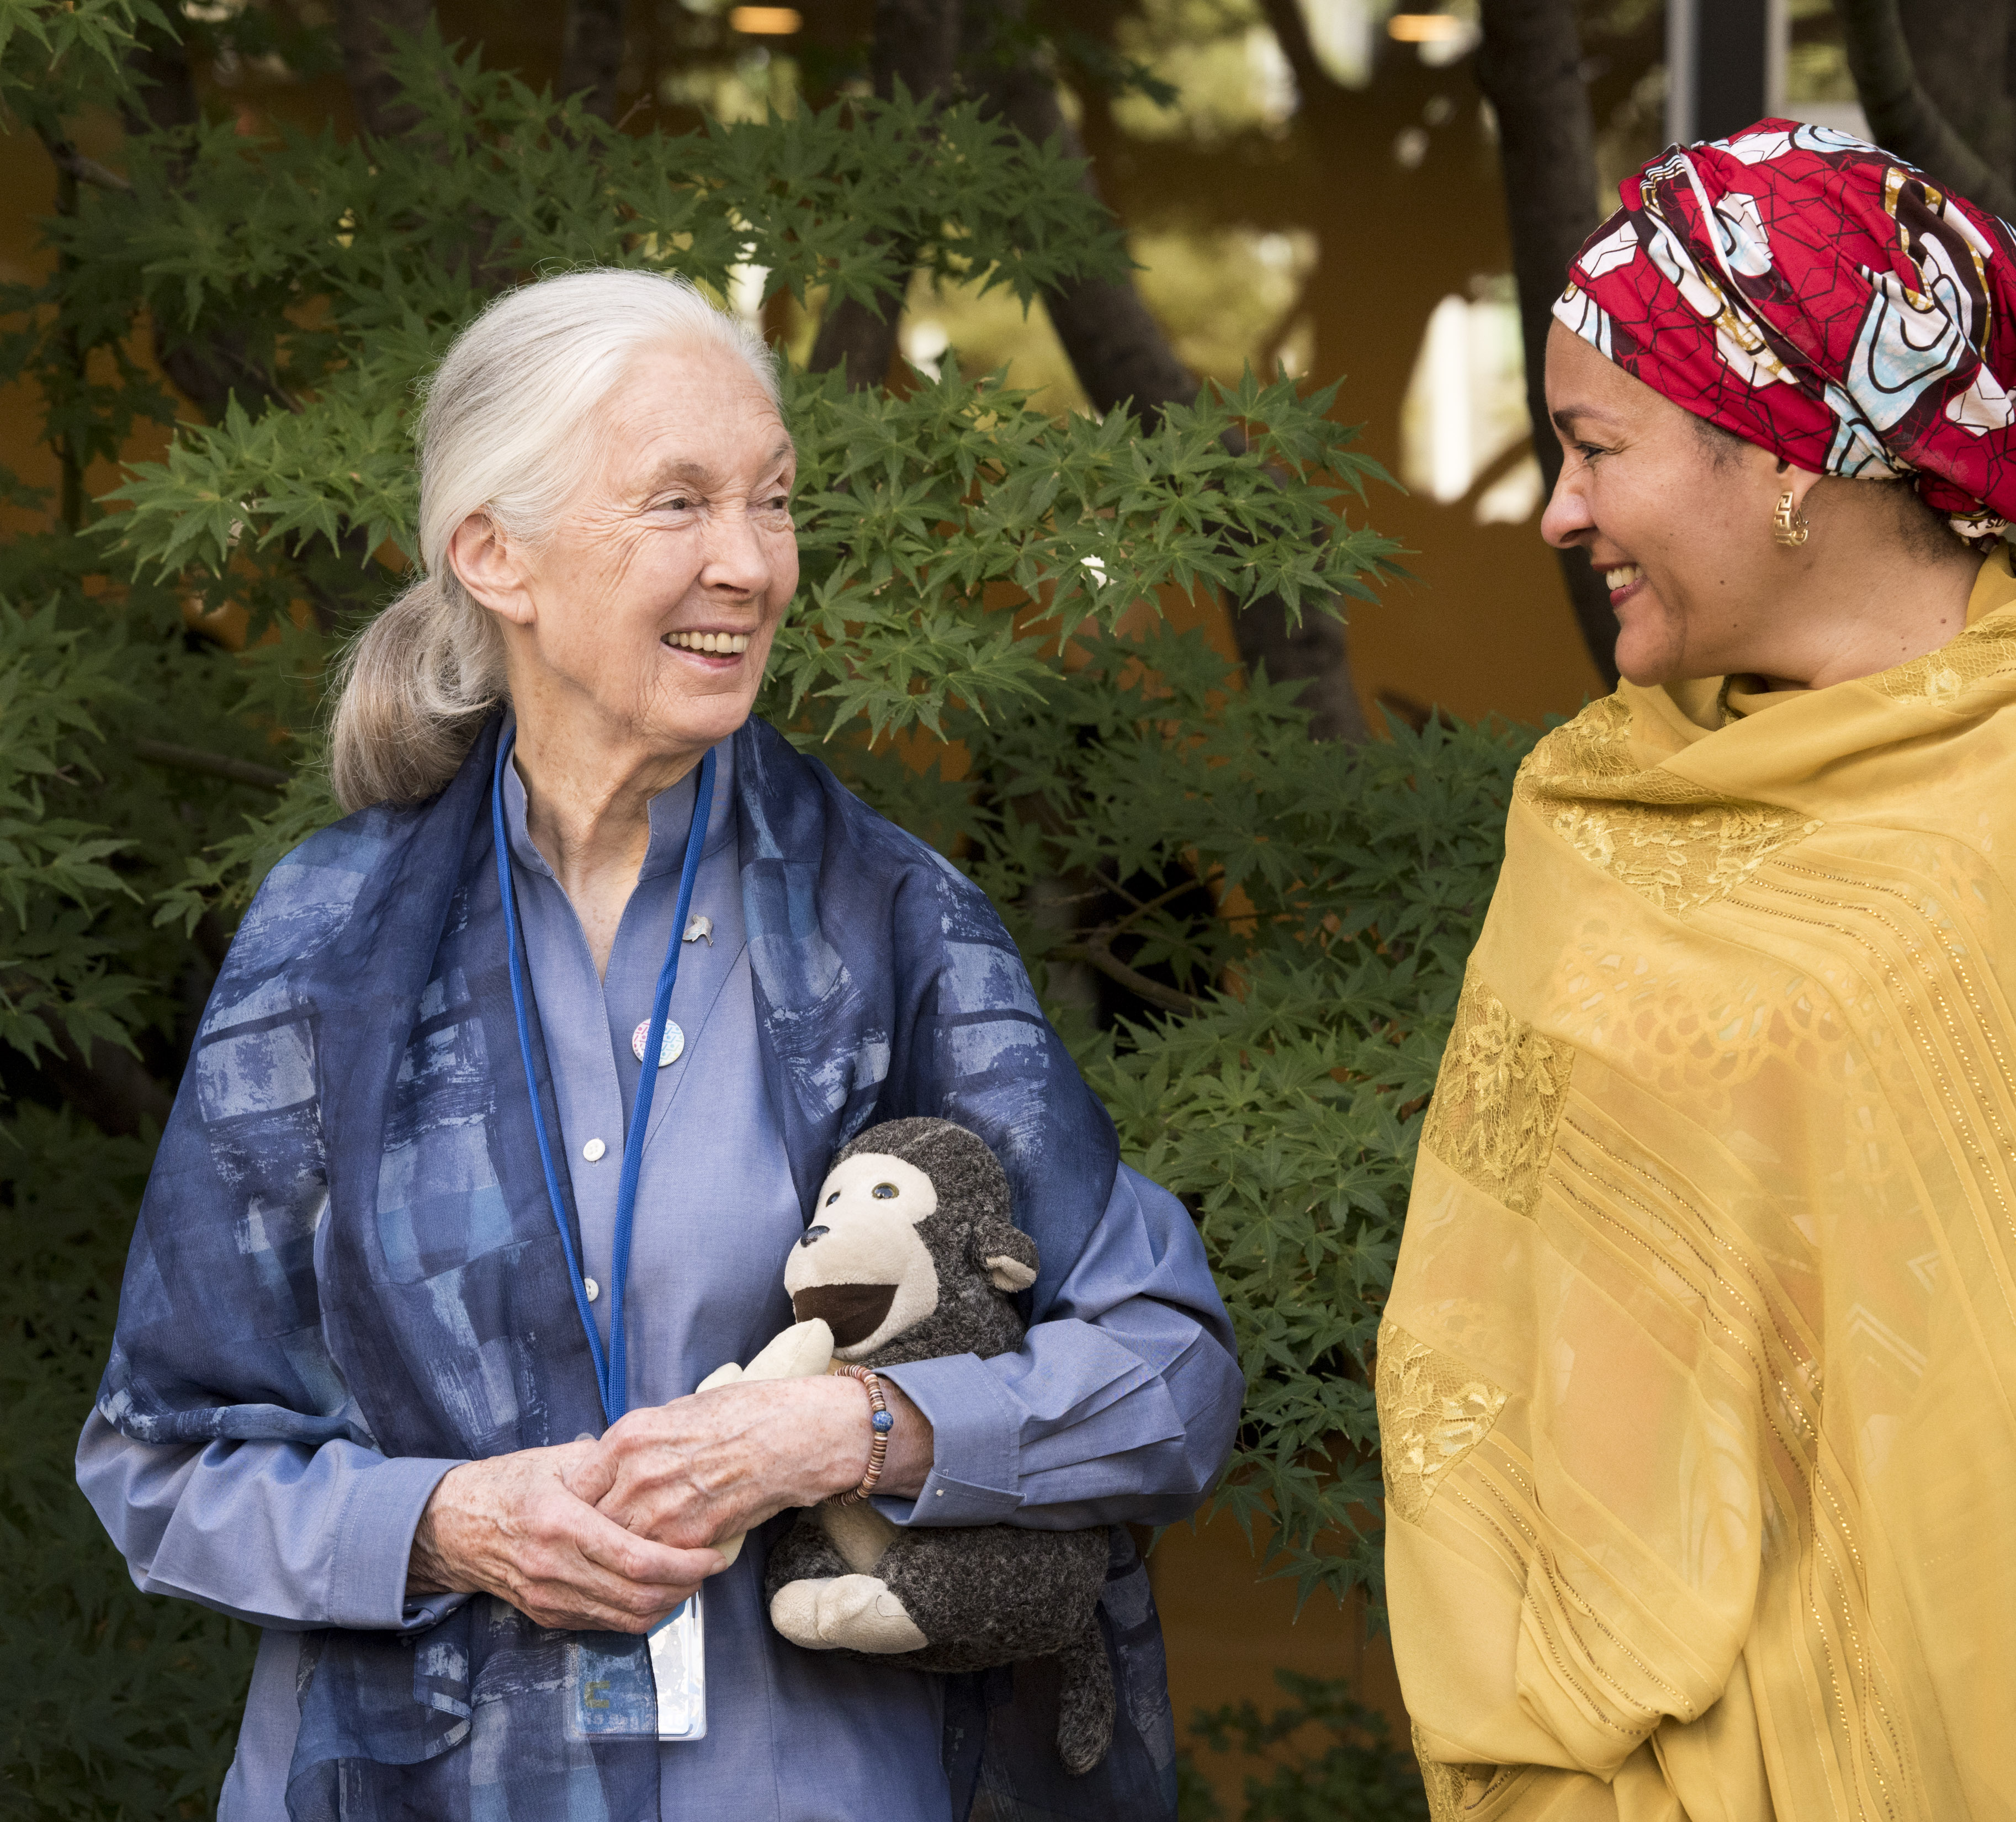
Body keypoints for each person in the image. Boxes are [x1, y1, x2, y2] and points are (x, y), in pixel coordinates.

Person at [78, 268, 1242, 1822]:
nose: (750, 563)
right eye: (678, 503)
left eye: (771, 500)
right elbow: (163, 1462)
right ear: (496, 554)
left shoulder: (888, 920)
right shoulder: (330, 943)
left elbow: (1170, 1371)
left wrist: (853, 1428)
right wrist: (451, 1521)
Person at [1376, 123, 2016, 1821]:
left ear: (1782, 451)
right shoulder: (1593, 806)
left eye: (1594, 446)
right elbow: (1490, 1340)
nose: (1556, 510)